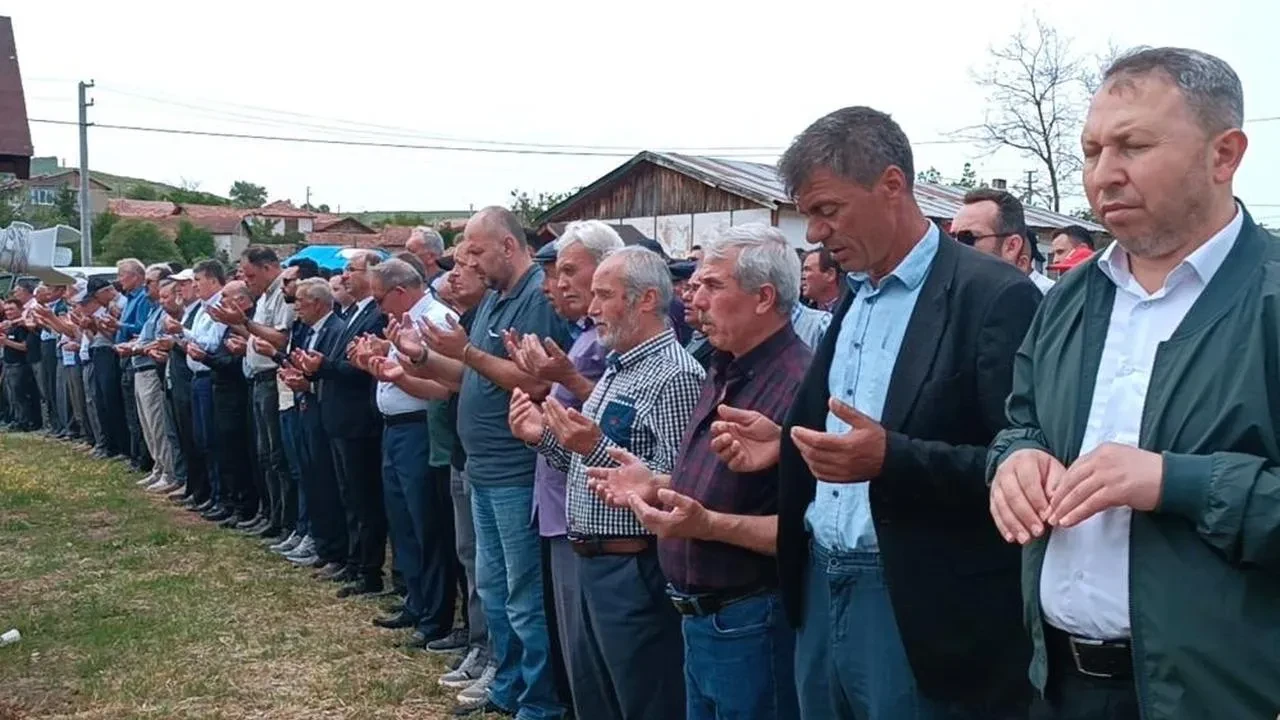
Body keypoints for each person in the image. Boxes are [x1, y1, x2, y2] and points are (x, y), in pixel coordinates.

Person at [989, 47, 1280, 720]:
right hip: (1059, 684)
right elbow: (1021, 420)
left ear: (1224, 155)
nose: (1103, 175)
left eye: (1133, 146)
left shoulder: (1266, 298)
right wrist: (1016, 459)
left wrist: (1174, 482)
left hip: (1220, 696)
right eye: (1091, 151)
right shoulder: (1069, 299)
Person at [722, 106, 1040, 719]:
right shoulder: (857, 294)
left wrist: (893, 459)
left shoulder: (992, 296)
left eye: (826, 210)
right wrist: (785, 439)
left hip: (914, 605)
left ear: (891, 186)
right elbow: (846, 422)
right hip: (821, 583)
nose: (813, 234)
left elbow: (1023, 466)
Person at [588, 224, 809, 720]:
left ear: (763, 297)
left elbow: (807, 531)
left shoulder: (800, 385)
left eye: (712, 285)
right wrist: (658, 485)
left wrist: (705, 525)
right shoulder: (721, 367)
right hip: (700, 618)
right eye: (696, 284)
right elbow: (717, 490)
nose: (694, 297)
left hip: (752, 621)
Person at [510, 245, 701, 720]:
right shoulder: (619, 367)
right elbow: (588, 461)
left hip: (635, 568)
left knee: (643, 699)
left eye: (604, 295)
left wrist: (589, 445)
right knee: (596, 699)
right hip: (594, 562)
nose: (591, 309)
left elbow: (676, 482)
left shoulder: (675, 376)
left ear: (646, 300)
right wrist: (543, 439)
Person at [405, 206, 568, 719]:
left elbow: (537, 383)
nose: (466, 261)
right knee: (495, 587)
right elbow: (468, 377)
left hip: (516, 471)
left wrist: (468, 353)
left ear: (508, 246)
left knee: (522, 593)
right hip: (482, 468)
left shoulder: (534, 299)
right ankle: (509, 682)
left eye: (475, 250)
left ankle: (538, 700)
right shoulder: (498, 298)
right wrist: (419, 357)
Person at [507, 220, 622, 715]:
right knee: (575, 649)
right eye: (557, 274)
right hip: (562, 503)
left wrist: (562, 380)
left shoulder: (615, 345)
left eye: (570, 271)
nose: (558, 284)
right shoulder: (582, 336)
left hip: (597, 515)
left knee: (596, 661)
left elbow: (620, 431)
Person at [360, 259, 460, 642]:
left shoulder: (437, 318)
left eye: (380, 298)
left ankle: (435, 615)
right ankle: (416, 602)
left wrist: (399, 363)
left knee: (426, 525)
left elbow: (443, 378)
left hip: (421, 429)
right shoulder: (405, 321)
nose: (378, 308)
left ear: (400, 292)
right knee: (403, 521)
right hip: (395, 429)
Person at [293, 250, 387, 594]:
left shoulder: (375, 316)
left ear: (374, 275)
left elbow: (360, 369)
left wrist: (323, 368)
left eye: (352, 270)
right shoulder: (352, 314)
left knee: (364, 500)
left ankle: (368, 570)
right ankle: (354, 561)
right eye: (345, 270)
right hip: (340, 417)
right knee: (350, 497)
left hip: (358, 420)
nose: (344, 276)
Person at [209, 247, 295, 540]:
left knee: (276, 455)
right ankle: (270, 513)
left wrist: (243, 323)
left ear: (270, 267)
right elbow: (258, 335)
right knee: (264, 454)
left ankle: (284, 520)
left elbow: (282, 338)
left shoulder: (282, 294)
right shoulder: (264, 296)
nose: (247, 280)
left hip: (273, 378)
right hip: (258, 378)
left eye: (250, 274)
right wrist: (237, 326)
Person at [282, 278, 349, 570]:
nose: (297, 307)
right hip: (306, 409)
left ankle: (332, 548)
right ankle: (321, 543)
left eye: (302, 302)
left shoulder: (335, 330)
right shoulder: (308, 331)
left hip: (326, 413)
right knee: (310, 475)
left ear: (320, 304)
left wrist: (308, 383)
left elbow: (332, 372)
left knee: (325, 481)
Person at [123, 264, 177, 493]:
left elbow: (159, 340)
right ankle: (158, 467)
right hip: (140, 368)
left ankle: (168, 471)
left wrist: (138, 348)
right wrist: (137, 345)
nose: (146, 287)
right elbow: (146, 338)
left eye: (150, 283)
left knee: (157, 423)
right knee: (147, 423)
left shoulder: (165, 312)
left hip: (150, 369)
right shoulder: (155, 310)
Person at [951, 188, 1056, 294]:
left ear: (1011, 246)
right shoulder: (944, 297)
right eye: (950, 238)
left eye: (967, 238)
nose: (955, 247)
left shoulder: (1043, 300)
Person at [106, 259, 155, 474]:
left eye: (122, 274)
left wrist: (119, 325)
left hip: (135, 356)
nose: (119, 279)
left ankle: (143, 458)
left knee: (137, 412)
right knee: (131, 410)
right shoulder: (130, 298)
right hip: (125, 356)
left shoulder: (143, 299)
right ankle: (136, 455)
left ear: (136, 276)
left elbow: (140, 330)